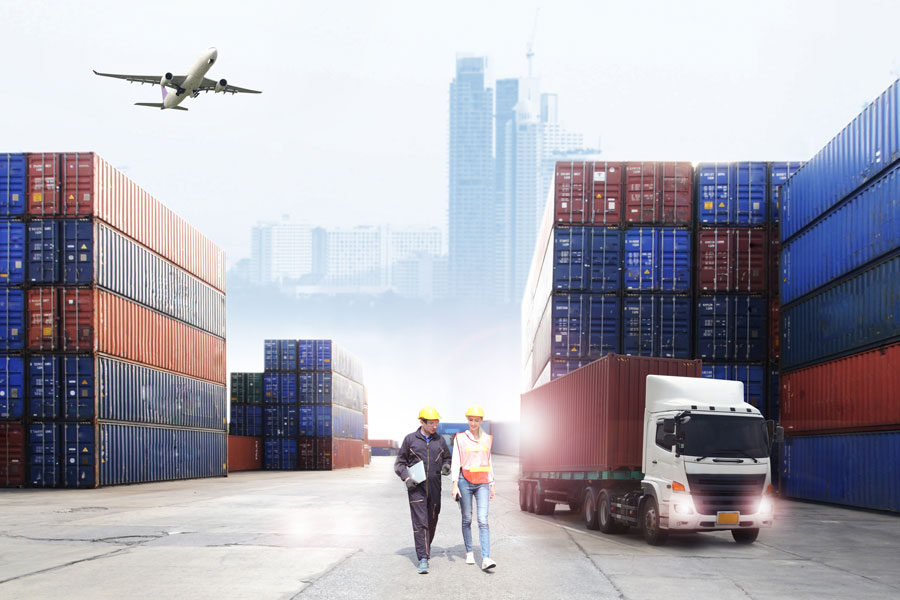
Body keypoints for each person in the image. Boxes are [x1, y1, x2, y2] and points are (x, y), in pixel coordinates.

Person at [394, 406, 452, 574]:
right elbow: (399, 463)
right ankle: (423, 558)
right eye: (432, 423)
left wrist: (446, 465)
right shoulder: (410, 440)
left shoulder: (439, 440)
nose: (435, 426)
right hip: (416, 487)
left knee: (432, 521)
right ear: (422, 422)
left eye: (437, 423)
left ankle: (426, 548)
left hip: (435, 487)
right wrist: (406, 478)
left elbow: (447, 457)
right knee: (421, 523)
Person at [450, 405, 496, 571]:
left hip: (483, 482)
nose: (473, 423)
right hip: (465, 481)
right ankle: (469, 551)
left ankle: (486, 558)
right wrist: (454, 484)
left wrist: (492, 484)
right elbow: (456, 461)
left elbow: (488, 461)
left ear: (481, 421)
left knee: (483, 520)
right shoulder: (460, 438)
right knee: (467, 518)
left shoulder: (487, 439)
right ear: (467, 420)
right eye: (471, 420)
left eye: (476, 420)